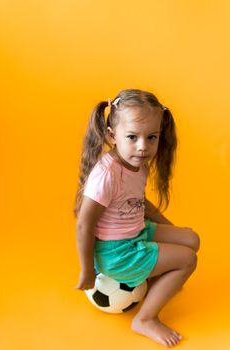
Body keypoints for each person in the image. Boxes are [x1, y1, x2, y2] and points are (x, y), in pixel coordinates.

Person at [74, 89, 200, 347]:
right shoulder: (107, 175)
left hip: (136, 232)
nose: (143, 146)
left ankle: (156, 279)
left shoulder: (136, 163)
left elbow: (141, 204)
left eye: (151, 137)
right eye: (132, 137)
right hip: (118, 252)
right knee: (188, 259)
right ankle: (145, 318)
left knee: (191, 239)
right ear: (112, 136)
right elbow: (84, 224)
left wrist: (170, 229)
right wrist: (87, 270)